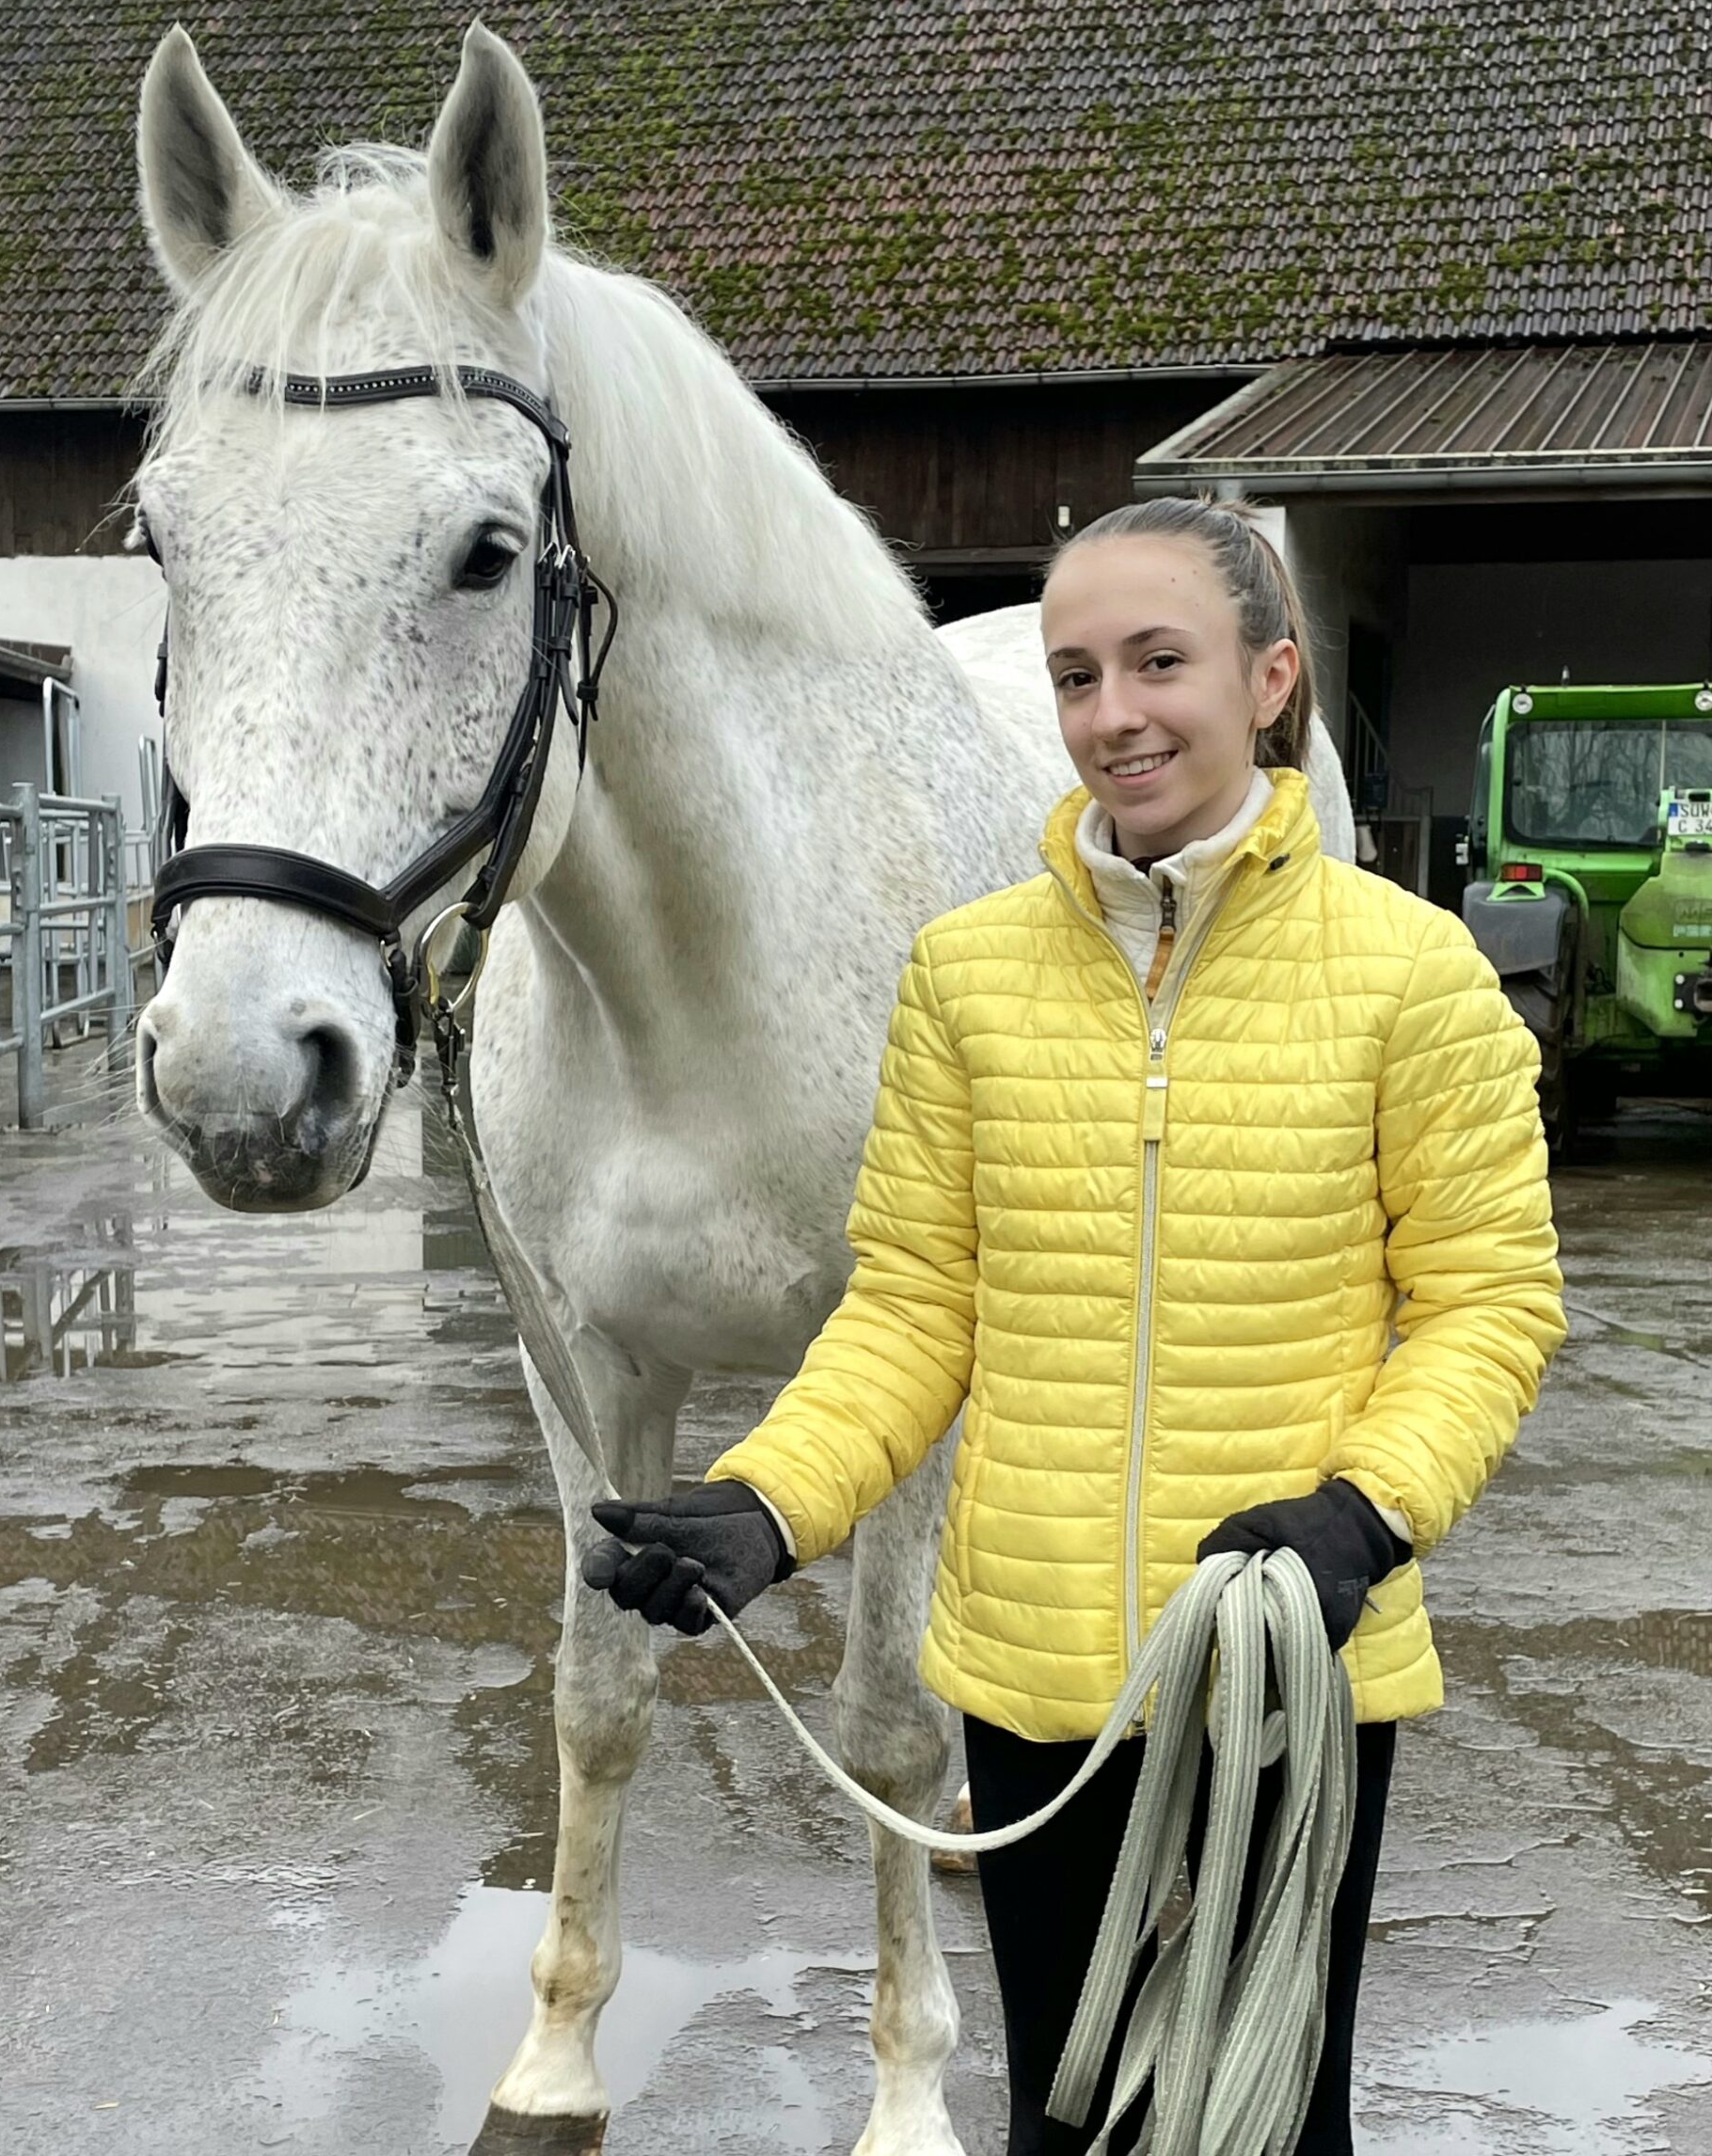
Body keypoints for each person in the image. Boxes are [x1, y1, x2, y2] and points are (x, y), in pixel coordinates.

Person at [582, 496, 1565, 2154]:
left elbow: (1486, 1299)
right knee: (1067, 2116)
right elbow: (914, 1304)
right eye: (1075, 674)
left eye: (1157, 661)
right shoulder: (966, 978)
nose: (1112, 714)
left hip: (1282, 1659)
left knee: (1269, 2119)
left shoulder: (1413, 976)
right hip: (1031, 1673)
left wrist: (1363, 1516)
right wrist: (769, 1504)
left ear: (1267, 678)